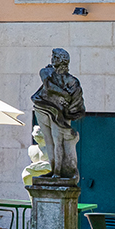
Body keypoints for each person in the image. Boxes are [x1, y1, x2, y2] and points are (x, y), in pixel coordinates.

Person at [31, 48, 86, 182]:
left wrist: (66, 103)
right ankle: (53, 169)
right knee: (48, 141)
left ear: (62, 60)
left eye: (55, 57)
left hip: (60, 115)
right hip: (42, 108)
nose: (52, 59)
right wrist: (63, 94)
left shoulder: (72, 81)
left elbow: (76, 102)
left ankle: (59, 172)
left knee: (58, 141)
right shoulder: (47, 72)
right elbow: (49, 87)